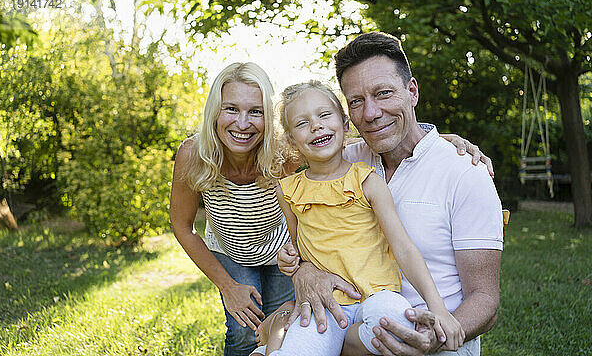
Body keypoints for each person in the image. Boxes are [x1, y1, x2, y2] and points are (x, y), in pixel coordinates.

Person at [278, 32, 503, 356]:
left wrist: (433, 338)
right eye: (356, 101)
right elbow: (301, 224)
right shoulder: (347, 162)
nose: (370, 113)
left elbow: (485, 300)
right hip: (346, 328)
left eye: (383, 93)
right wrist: (304, 270)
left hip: (428, 341)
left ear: (412, 91)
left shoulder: (465, 172)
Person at [268, 81, 464, 356]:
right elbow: (298, 248)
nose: (316, 126)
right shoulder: (289, 190)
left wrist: (438, 307)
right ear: (290, 140)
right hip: (324, 304)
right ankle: (272, 343)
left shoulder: (367, 181)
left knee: (397, 327)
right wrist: (290, 259)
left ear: (345, 124)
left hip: (378, 294)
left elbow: (403, 248)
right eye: (302, 123)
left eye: (325, 115)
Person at [169, 62, 296, 356]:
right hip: (230, 251)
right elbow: (182, 226)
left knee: (281, 332)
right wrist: (227, 286)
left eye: (255, 112)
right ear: (215, 111)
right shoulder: (193, 154)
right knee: (244, 332)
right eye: (231, 109)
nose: (242, 123)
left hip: (281, 252)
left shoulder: (284, 153)